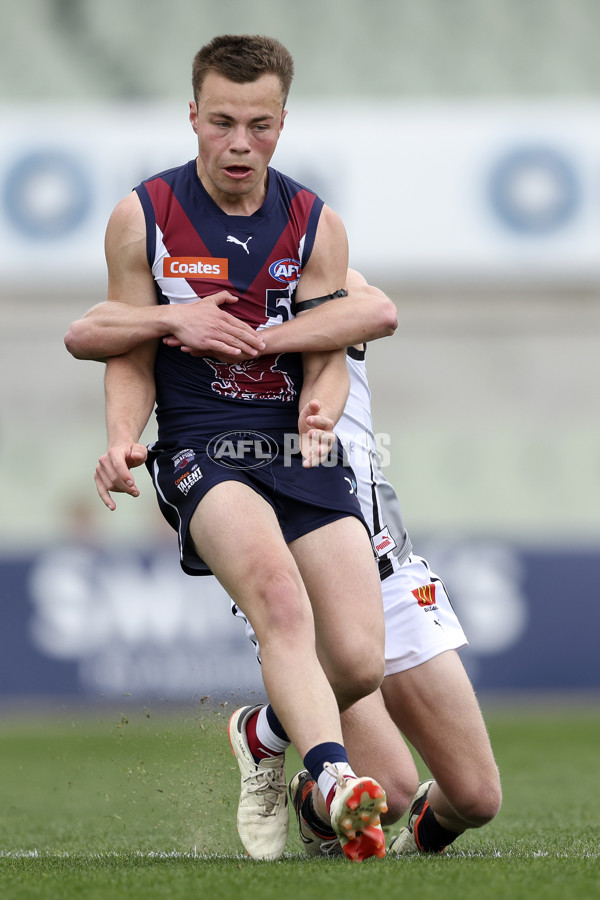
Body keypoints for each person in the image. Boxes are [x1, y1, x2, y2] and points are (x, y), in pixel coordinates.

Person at [66, 34, 392, 863]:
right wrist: (121, 438)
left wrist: (319, 414)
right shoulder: (146, 215)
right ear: (193, 117)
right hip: (203, 448)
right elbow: (116, 347)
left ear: (283, 122)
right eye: (221, 123)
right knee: (281, 602)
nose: (239, 143)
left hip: (298, 449)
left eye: (259, 124)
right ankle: (332, 779)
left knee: (356, 660)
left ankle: (263, 731)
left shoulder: (315, 223)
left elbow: (330, 359)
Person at [66, 263, 502, 858]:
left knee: (477, 799)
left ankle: (269, 734)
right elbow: (96, 333)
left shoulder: (321, 279)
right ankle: (318, 801)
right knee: (391, 791)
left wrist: (266, 335)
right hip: (301, 568)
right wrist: (174, 326)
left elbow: (377, 311)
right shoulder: (193, 308)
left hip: (387, 565)